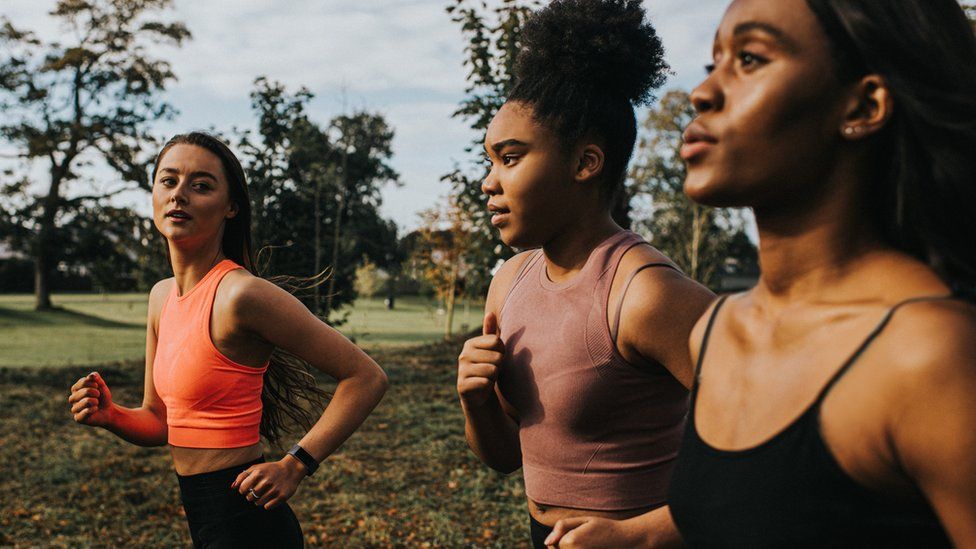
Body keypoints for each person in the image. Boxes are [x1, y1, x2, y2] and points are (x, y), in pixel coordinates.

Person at [545, 0, 976, 546]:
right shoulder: (718, 329)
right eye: (712, 62)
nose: (702, 93)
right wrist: (638, 537)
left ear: (863, 105)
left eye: (749, 58)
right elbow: (768, 506)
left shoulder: (929, 356)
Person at [454, 1, 715, 547]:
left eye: (510, 157)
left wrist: (641, 536)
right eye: (489, 160)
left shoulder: (645, 293)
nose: (487, 182)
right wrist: (476, 402)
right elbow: (504, 457)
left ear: (585, 163)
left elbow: (784, 452)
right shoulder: (510, 282)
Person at [67, 132, 389, 548]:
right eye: (168, 181)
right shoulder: (161, 296)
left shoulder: (241, 295)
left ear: (231, 207)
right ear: (152, 194)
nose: (179, 194)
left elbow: (366, 377)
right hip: (201, 518)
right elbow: (160, 421)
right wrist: (112, 416)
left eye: (201, 185)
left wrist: (296, 464)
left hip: (248, 522)